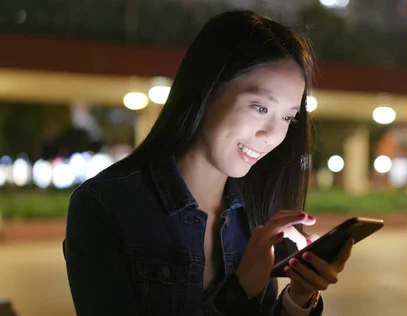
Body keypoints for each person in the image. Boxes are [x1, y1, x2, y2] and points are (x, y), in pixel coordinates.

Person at [63, 9, 354, 316]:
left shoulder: (254, 214)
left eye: (287, 117)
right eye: (259, 108)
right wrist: (238, 291)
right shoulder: (105, 206)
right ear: (208, 90)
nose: (271, 135)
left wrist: (300, 297)